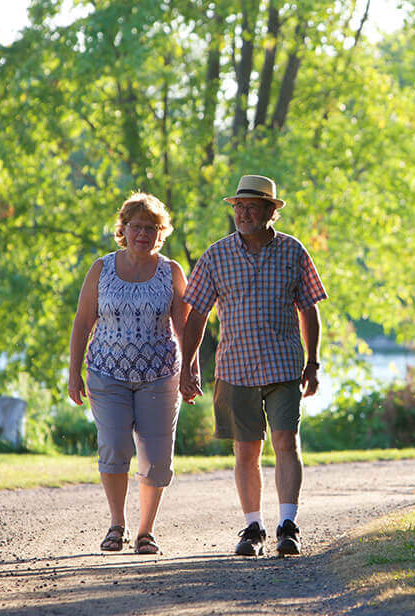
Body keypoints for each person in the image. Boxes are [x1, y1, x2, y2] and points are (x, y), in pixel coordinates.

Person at [179, 174, 326, 557]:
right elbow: (196, 315)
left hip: (283, 367)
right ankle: (253, 528)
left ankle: (288, 525)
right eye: (239, 207)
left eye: (252, 207)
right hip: (235, 368)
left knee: (286, 443)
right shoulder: (216, 255)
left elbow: (309, 310)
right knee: (246, 451)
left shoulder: (294, 252)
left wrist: (313, 362)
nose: (243, 214)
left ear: (269, 212)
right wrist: (187, 365)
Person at [68, 192, 192, 555]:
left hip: (160, 374)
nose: (143, 233)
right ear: (123, 229)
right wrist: (74, 373)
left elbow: (185, 327)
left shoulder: (171, 272)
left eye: (151, 227)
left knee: (157, 456)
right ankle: (116, 525)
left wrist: (191, 371)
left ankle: (145, 532)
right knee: (114, 446)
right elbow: (82, 323)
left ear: (161, 232)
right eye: (136, 226)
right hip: (107, 373)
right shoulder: (101, 269)